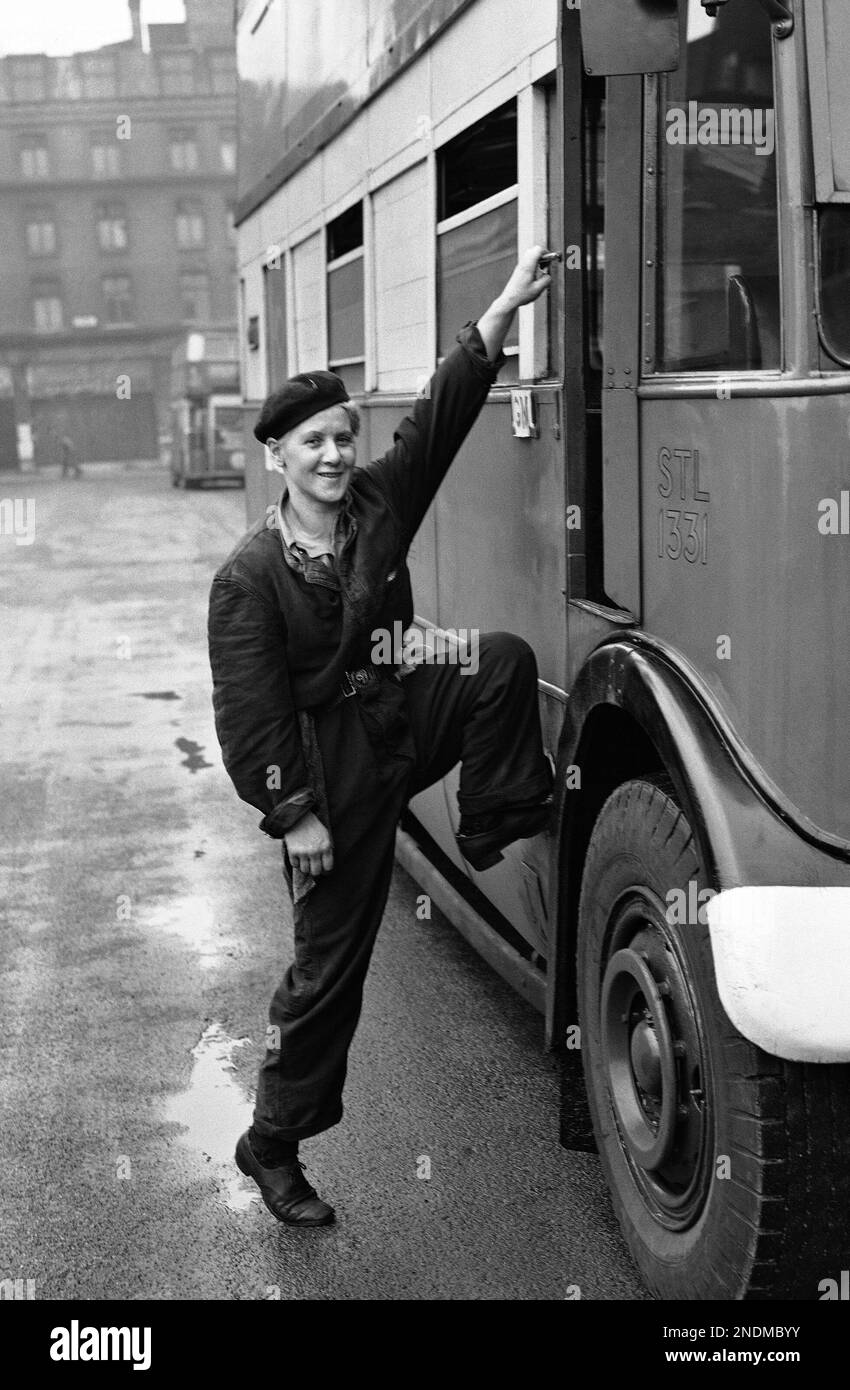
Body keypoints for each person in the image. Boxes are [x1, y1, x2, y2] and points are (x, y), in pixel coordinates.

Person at [208, 246, 555, 1227]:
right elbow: (250, 710)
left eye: (342, 437)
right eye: (312, 441)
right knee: (329, 976)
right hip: (329, 771)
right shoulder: (249, 576)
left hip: (398, 711)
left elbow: (441, 420)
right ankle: (271, 1141)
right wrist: (292, 812)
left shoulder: (373, 504)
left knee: (497, 659)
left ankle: (490, 822)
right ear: (276, 455)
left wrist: (495, 316)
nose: (331, 455)